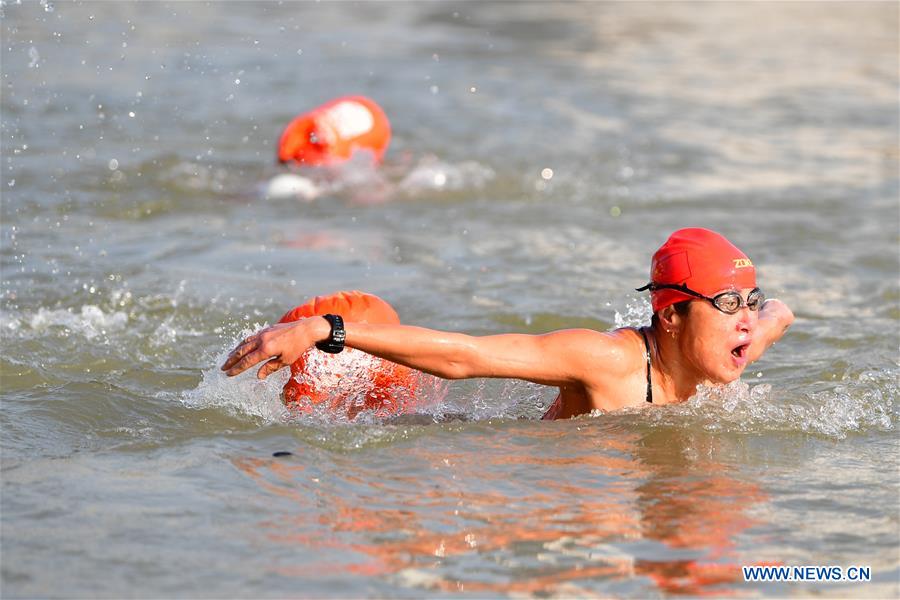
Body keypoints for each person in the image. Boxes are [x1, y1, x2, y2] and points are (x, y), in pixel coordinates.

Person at [221, 228, 794, 419]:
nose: (746, 322)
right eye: (728, 304)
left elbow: (777, 317)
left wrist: (764, 311)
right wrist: (325, 329)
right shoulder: (607, 362)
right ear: (669, 315)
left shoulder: (729, 346)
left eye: (751, 301)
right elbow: (465, 356)